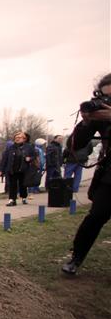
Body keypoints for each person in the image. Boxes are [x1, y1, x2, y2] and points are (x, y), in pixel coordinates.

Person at [62, 73, 111, 275]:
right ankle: (76, 257)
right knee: (96, 216)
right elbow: (75, 145)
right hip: (109, 175)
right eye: (105, 97)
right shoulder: (101, 116)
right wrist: (86, 122)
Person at [0, 130, 36, 206]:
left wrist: (30, 158)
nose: (17, 139)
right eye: (16, 137)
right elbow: (4, 159)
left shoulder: (28, 147)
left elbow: (34, 155)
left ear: (24, 139)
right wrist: (1, 170)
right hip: (12, 169)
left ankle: (24, 197)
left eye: (19, 137)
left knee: (23, 184)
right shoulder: (10, 148)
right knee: (12, 185)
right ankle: (12, 199)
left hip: (23, 169)